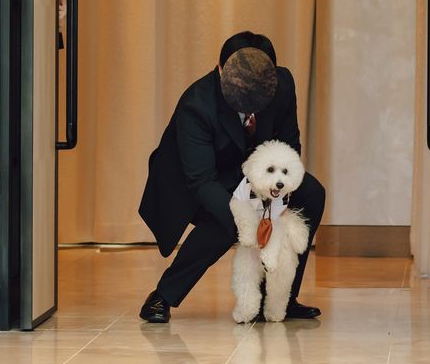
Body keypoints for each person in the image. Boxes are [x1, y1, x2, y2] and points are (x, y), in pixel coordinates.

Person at [138, 31, 325, 322]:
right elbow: (202, 181)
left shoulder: (282, 85)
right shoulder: (197, 104)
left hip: (254, 172)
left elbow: (289, 145)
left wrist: (278, 195)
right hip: (201, 178)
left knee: (311, 193)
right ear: (221, 69)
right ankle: (163, 295)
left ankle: (280, 298)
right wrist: (248, 214)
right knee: (229, 222)